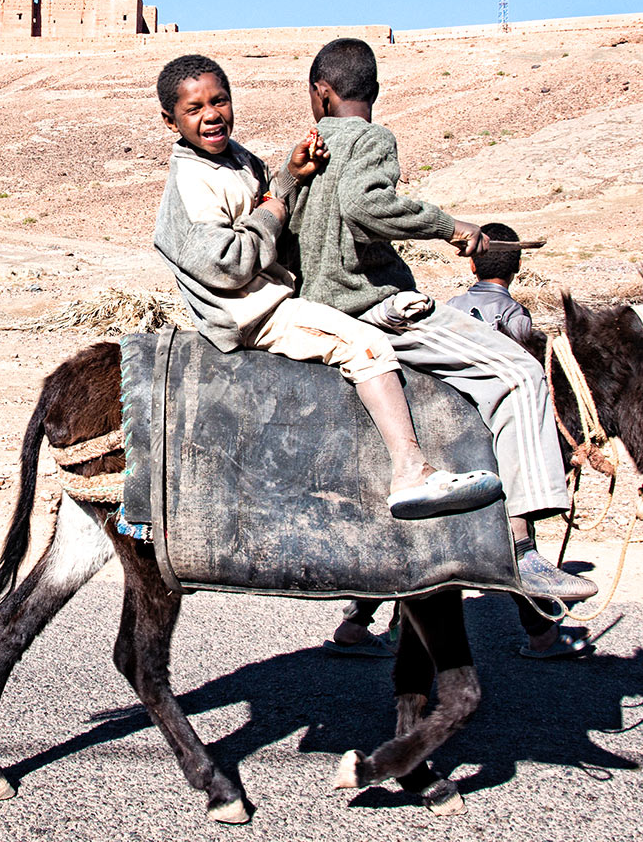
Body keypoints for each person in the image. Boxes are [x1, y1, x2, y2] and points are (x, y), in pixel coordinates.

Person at [287, 38, 597, 620]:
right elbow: (364, 205)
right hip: (373, 306)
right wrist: (450, 227)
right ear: (370, 93)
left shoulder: (308, 152)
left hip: (318, 312)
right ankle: (523, 551)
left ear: (319, 94)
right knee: (519, 373)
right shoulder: (372, 138)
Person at [151, 54, 499, 512]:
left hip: (273, 294)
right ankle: (410, 472)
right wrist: (278, 204)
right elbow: (229, 264)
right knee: (365, 345)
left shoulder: (238, 159)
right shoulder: (190, 181)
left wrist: (290, 177)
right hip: (251, 312)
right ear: (169, 120)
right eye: (194, 109)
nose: (211, 115)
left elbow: (266, 196)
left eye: (220, 101)